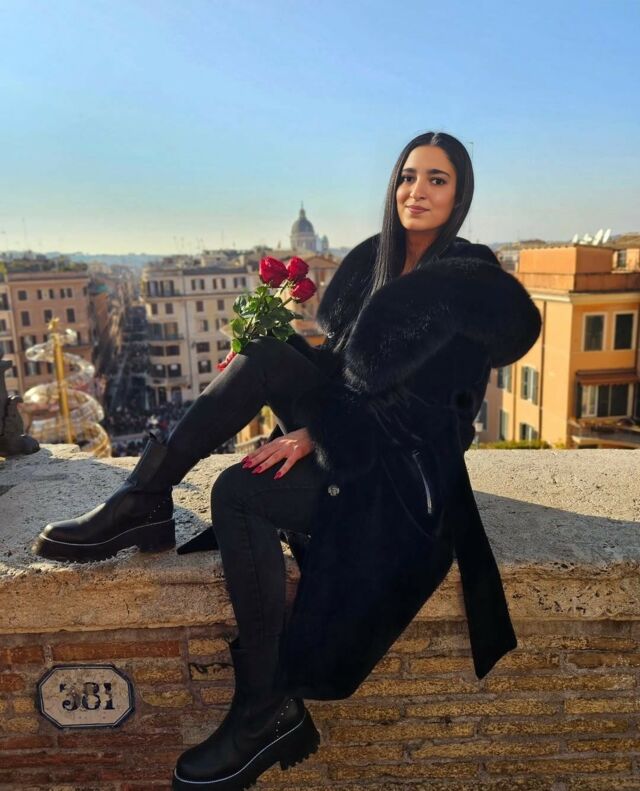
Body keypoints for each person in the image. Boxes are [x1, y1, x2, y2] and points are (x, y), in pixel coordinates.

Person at [32, 131, 542, 791]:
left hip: (405, 474)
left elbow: (436, 414)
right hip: (353, 442)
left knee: (237, 491)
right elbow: (345, 371)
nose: (416, 191)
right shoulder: (377, 263)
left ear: (460, 194)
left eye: (436, 180)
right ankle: (145, 497)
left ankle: (266, 708)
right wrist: (269, 368)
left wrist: (311, 434)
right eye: (407, 176)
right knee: (266, 352)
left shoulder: (466, 285)